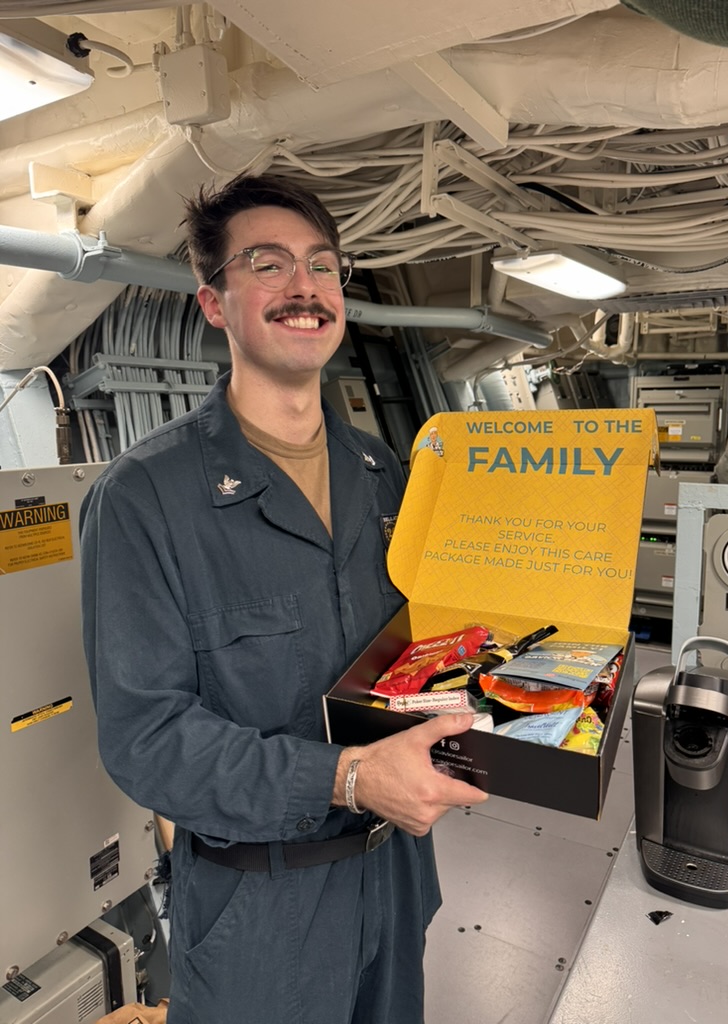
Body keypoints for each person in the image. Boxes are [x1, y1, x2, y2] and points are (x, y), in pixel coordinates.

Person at [80, 172, 489, 1024]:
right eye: (267, 264)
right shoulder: (144, 498)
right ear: (215, 303)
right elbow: (148, 742)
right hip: (260, 915)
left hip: (395, 878)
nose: (304, 287)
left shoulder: (382, 471)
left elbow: (414, 658)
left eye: (323, 265)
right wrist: (346, 777)